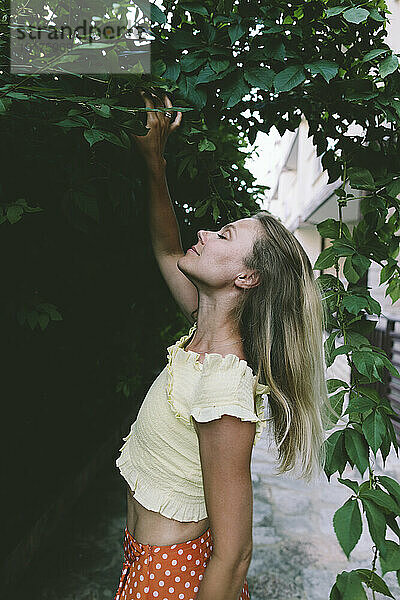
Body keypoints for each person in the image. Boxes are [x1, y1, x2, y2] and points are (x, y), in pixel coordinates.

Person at [113, 89, 332, 600]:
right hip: (147, 563)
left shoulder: (223, 389)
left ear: (247, 276)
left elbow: (234, 558)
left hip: (169, 580)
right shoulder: (201, 331)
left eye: (225, 235)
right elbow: (168, 247)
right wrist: (154, 163)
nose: (207, 233)